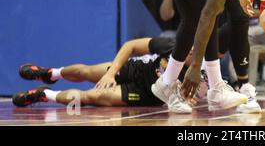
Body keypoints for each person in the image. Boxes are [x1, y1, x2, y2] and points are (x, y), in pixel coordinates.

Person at [12, 37, 204, 108]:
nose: (190, 51)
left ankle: (45, 94)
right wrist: (111, 73)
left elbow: (192, 100)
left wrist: (187, 98)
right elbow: (131, 46)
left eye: (195, 50)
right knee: (84, 71)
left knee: (89, 97)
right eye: (189, 47)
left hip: (147, 94)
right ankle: (51, 74)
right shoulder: (172, 44)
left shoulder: (198, 74)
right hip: (135, 69)